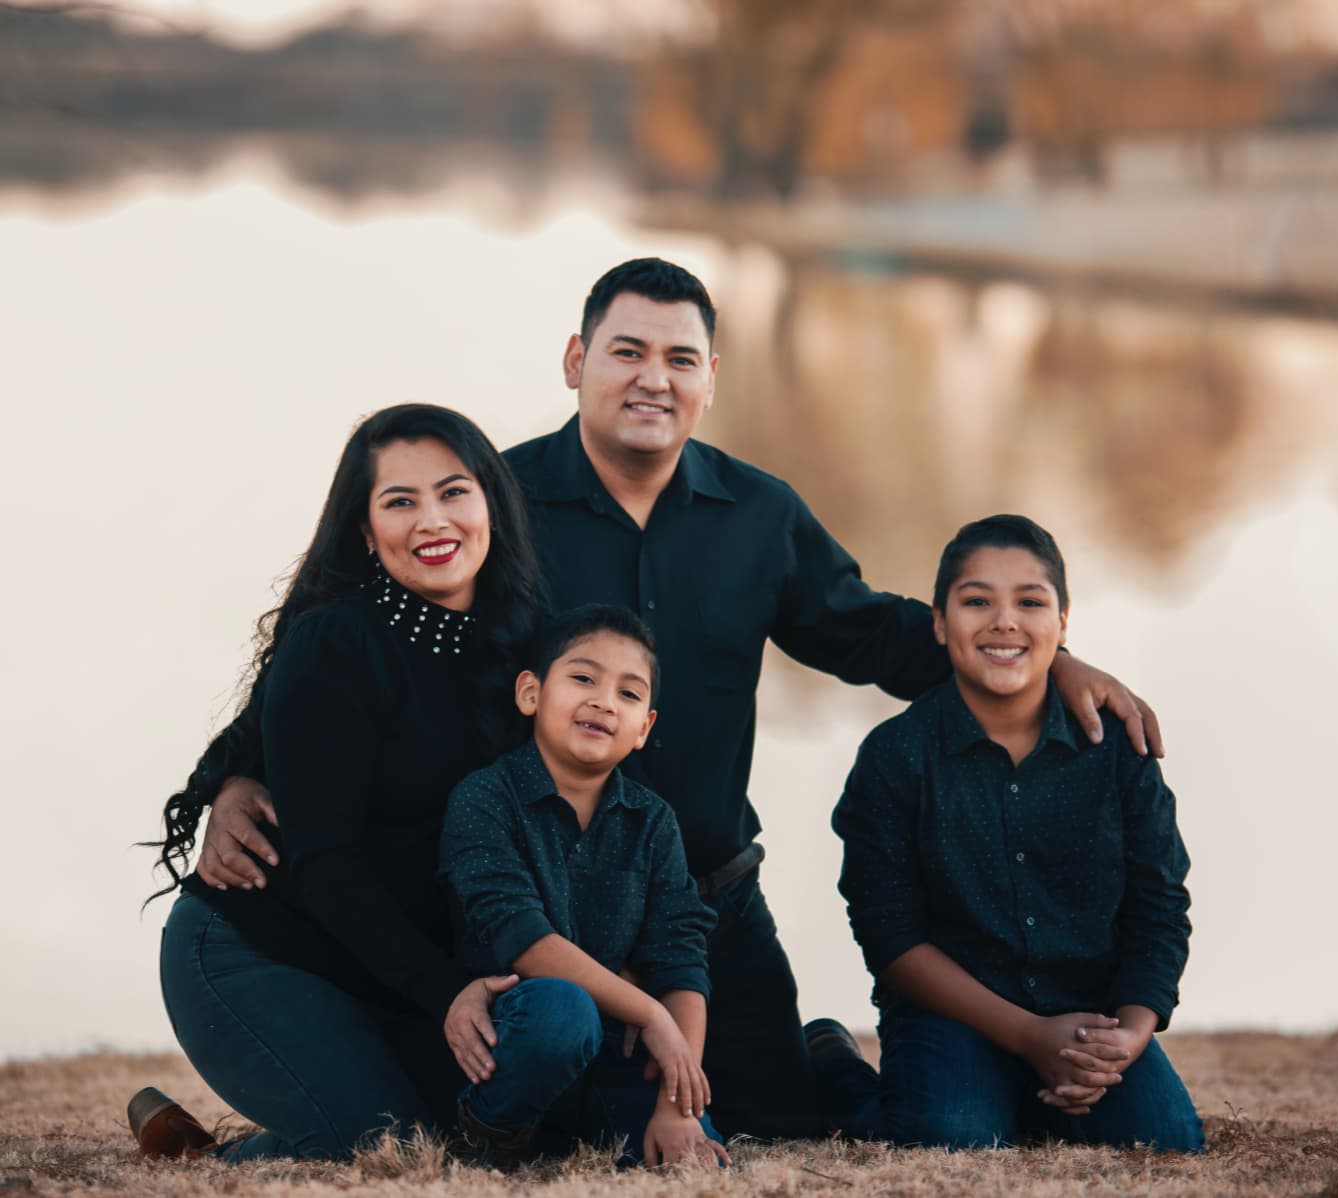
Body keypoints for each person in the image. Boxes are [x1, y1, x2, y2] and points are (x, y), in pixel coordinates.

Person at [193, 259, 1165, 1141]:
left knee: (787, 1117)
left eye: (680, 357)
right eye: (625, 351)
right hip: (556, 897)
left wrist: (1047, 661)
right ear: (577, 361)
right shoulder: (495, 502)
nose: (652, 377)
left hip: (707, 891)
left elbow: (868, 632)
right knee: (571, 1117)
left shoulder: (760, 513)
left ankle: (812, 1050)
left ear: (709, 378)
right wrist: (242, 772)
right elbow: (361, 640)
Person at [137, 404, 546, 1161]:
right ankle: (201, 1158)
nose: (433, 521)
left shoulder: (523, 643)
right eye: (399, 501)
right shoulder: (336, 641)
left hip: (383, 964)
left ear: (491, 500)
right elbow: (326, 865)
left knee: (479, 1137)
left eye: (454, 492)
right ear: (364, 529)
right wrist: (447, 992)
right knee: (384, 1150)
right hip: (258, 950)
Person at [831, 515, 1203, 1151]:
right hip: (954, 1014)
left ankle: (1028, 1100)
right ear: (941, 623)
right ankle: (832, 1065)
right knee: (951, 1137)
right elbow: (888, 934)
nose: (1004, 621)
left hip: (1088, 1010)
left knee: (1166, 1140)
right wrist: (1031, 1037)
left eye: (1030, 602)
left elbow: (1160, 903)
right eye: (977, 601)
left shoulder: (1118, 749)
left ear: (1062, 626)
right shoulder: (895, 757)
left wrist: (1131, 1034)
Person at [438, 604, 729, 1168]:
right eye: (583, 678)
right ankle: (488, 1135)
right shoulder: (485, 798)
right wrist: (651, 1014)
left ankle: (587, 1133)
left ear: (644, 727)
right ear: (531, 694)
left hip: (617, 1054)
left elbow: (680, 958)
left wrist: (677, 1106)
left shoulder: (652, 821)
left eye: (628, 693)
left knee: (695, 1163)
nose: (603, 701)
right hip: (517, 1038)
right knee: (562, 1011)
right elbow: (521, 938)